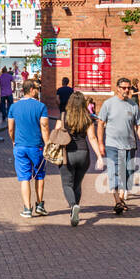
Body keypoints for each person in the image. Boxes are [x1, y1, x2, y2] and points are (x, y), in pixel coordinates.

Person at [92, 78, 140, 214]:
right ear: (117, 88)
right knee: (114, 172)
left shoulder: (133, 105)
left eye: (128, 88)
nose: (126, 90)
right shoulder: (108, 104)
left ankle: (121, 199)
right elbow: (100, 123)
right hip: (112, 145)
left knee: (128, 173)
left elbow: (139, 125)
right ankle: (117, 201)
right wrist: (100, 143)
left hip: (130, 145)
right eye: (123, 88)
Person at [7, 80, 50, 219]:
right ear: (31, 89)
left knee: (24, 178)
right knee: (39, 175)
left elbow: (10, 128)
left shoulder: (14, 107)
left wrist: (14, 141)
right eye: (36, 88)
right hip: (37, 146)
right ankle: (39, 205)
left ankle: (27, 208)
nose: (38, 90)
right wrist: (47, 143)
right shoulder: (41, 106)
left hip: (20, 146)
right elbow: (44, 127)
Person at [58, 92, 93, 227]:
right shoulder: (87, 118)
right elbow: (92, 138)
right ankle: (75, 207)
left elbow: (56, 133)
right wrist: (100, 155)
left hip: (67, 153)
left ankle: (73, 206)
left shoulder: (63, 117)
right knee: (77, 184)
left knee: (67, 184)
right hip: (83, 153)